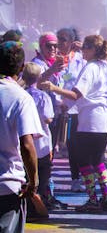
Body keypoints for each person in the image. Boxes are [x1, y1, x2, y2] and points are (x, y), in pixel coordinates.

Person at [39, 35, 107, 212]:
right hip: (103, 118)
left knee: (83, 160)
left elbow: (76, 94)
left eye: (85, 48)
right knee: (98, 159)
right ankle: (105, 198)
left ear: (92, 50)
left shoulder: (90, 67)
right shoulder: (104, 65)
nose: (82, 51)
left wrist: (53, 88)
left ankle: (92, 199)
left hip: (90, 118)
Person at [0, 41, 42, 232]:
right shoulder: (20, 97)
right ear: (22, 68)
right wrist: (33, 182)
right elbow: (27, 145)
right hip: (7, 185)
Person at [22, 62, 67, 211]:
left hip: (24, 140)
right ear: (39, 77)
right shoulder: (43, 96)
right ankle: (38, 204)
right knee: (42, 175)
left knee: (26, 175)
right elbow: (48, 118)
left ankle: (27, 205)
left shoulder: (21, 94)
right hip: (41, 143)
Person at [55, 27, 86, 193]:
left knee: (75, 146)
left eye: (64, 39)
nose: (60, 42)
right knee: (59, 146)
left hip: (76, 110)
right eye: (58, 38)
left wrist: (82, 49)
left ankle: (77, 179)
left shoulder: (81, 60)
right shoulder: (54, 58)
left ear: (72, 42)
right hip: (57, 109)